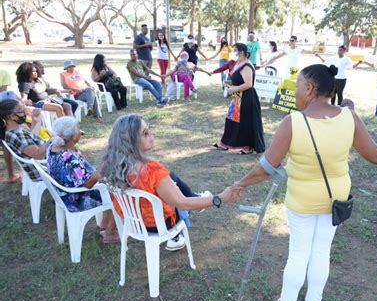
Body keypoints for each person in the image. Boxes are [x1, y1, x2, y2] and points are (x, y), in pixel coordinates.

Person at [230, 64, 377, 301]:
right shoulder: (349, 116)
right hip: (336, 199)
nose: (295, 91)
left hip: (302, 200)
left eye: (298, 85)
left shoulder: (292, 122)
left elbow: (266, 167)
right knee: (322, 252)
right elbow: (376, 155)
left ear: (310, 88)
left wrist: (241, 183)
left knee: (299, 254)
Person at [101, 114, 241, 250]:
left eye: (149, 128)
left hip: (132, 222)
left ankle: (195, 199)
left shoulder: (110, 164)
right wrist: (221, 198)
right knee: (173, 188)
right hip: (158, 224)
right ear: (131, 142)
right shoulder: (152, 169)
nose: (151, 133)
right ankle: (177, 233)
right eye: (145, 133)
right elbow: (183, 203)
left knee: (171, 179)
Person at [47, 116, 119, 243]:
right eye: (78, 129)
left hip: (63, 192)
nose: (80, 131)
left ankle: (104, 224)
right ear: (74, 136)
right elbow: (88, 184)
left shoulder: (52, 146)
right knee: (118, 191)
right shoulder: (69, 158)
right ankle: (110, 233)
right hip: (76, 198)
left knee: (109, 185)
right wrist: (104, 167)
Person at [213, 43, 265, 155]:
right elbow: (239, 80)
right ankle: (225, 142)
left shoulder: (246, 65)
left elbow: (248, 84)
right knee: (230, 119)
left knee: (246, 122)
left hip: (247, 98)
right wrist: (230, 83)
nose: (233, 52)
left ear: (241, 52)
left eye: (234, 50)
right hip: (238, 97)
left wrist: (233, 88)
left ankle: (248, 147)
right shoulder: (238, 63)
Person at [0, 99, 48, 182]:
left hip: (43, 163)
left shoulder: (13, 129)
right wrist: (53, 141)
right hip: (44, 170)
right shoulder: (18, 135)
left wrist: (35, 121)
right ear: (12, 116)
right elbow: (38, 155)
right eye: (22, 111)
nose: (25, 113)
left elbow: (31, 139)